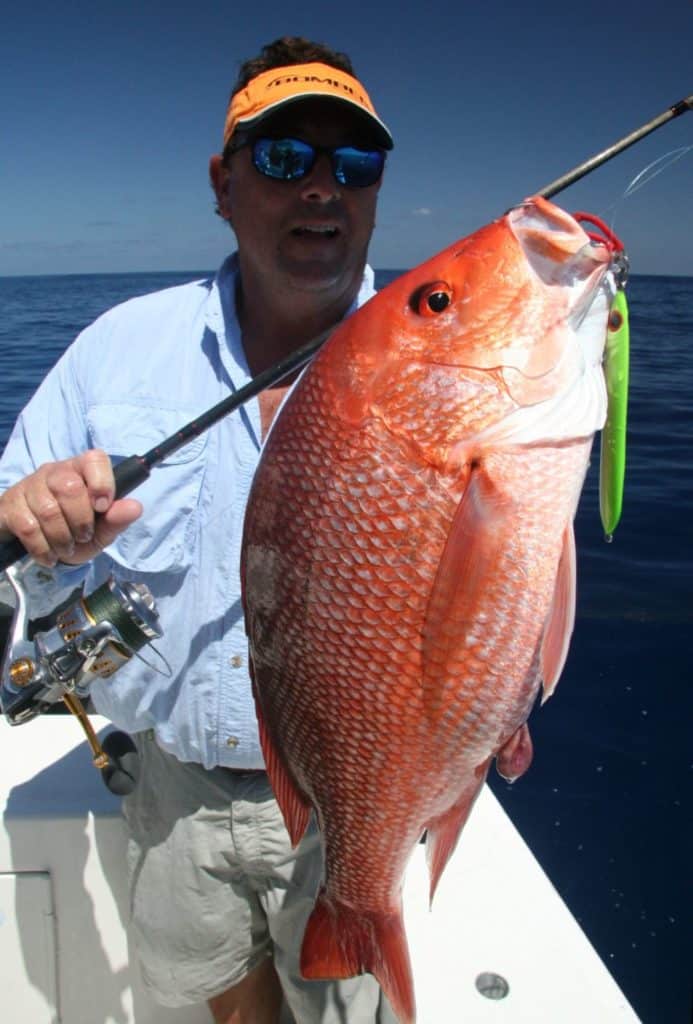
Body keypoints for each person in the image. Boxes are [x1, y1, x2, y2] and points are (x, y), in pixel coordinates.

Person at [0, 37, 397, 1024]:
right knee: (225, 1000)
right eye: (281, 158)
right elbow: (7, 510)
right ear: (223, 184)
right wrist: (28, 514)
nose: (321, 188)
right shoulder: (118, 350)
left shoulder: (432, 356)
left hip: (354, 790)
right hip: (170, 788)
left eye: (353, 165)